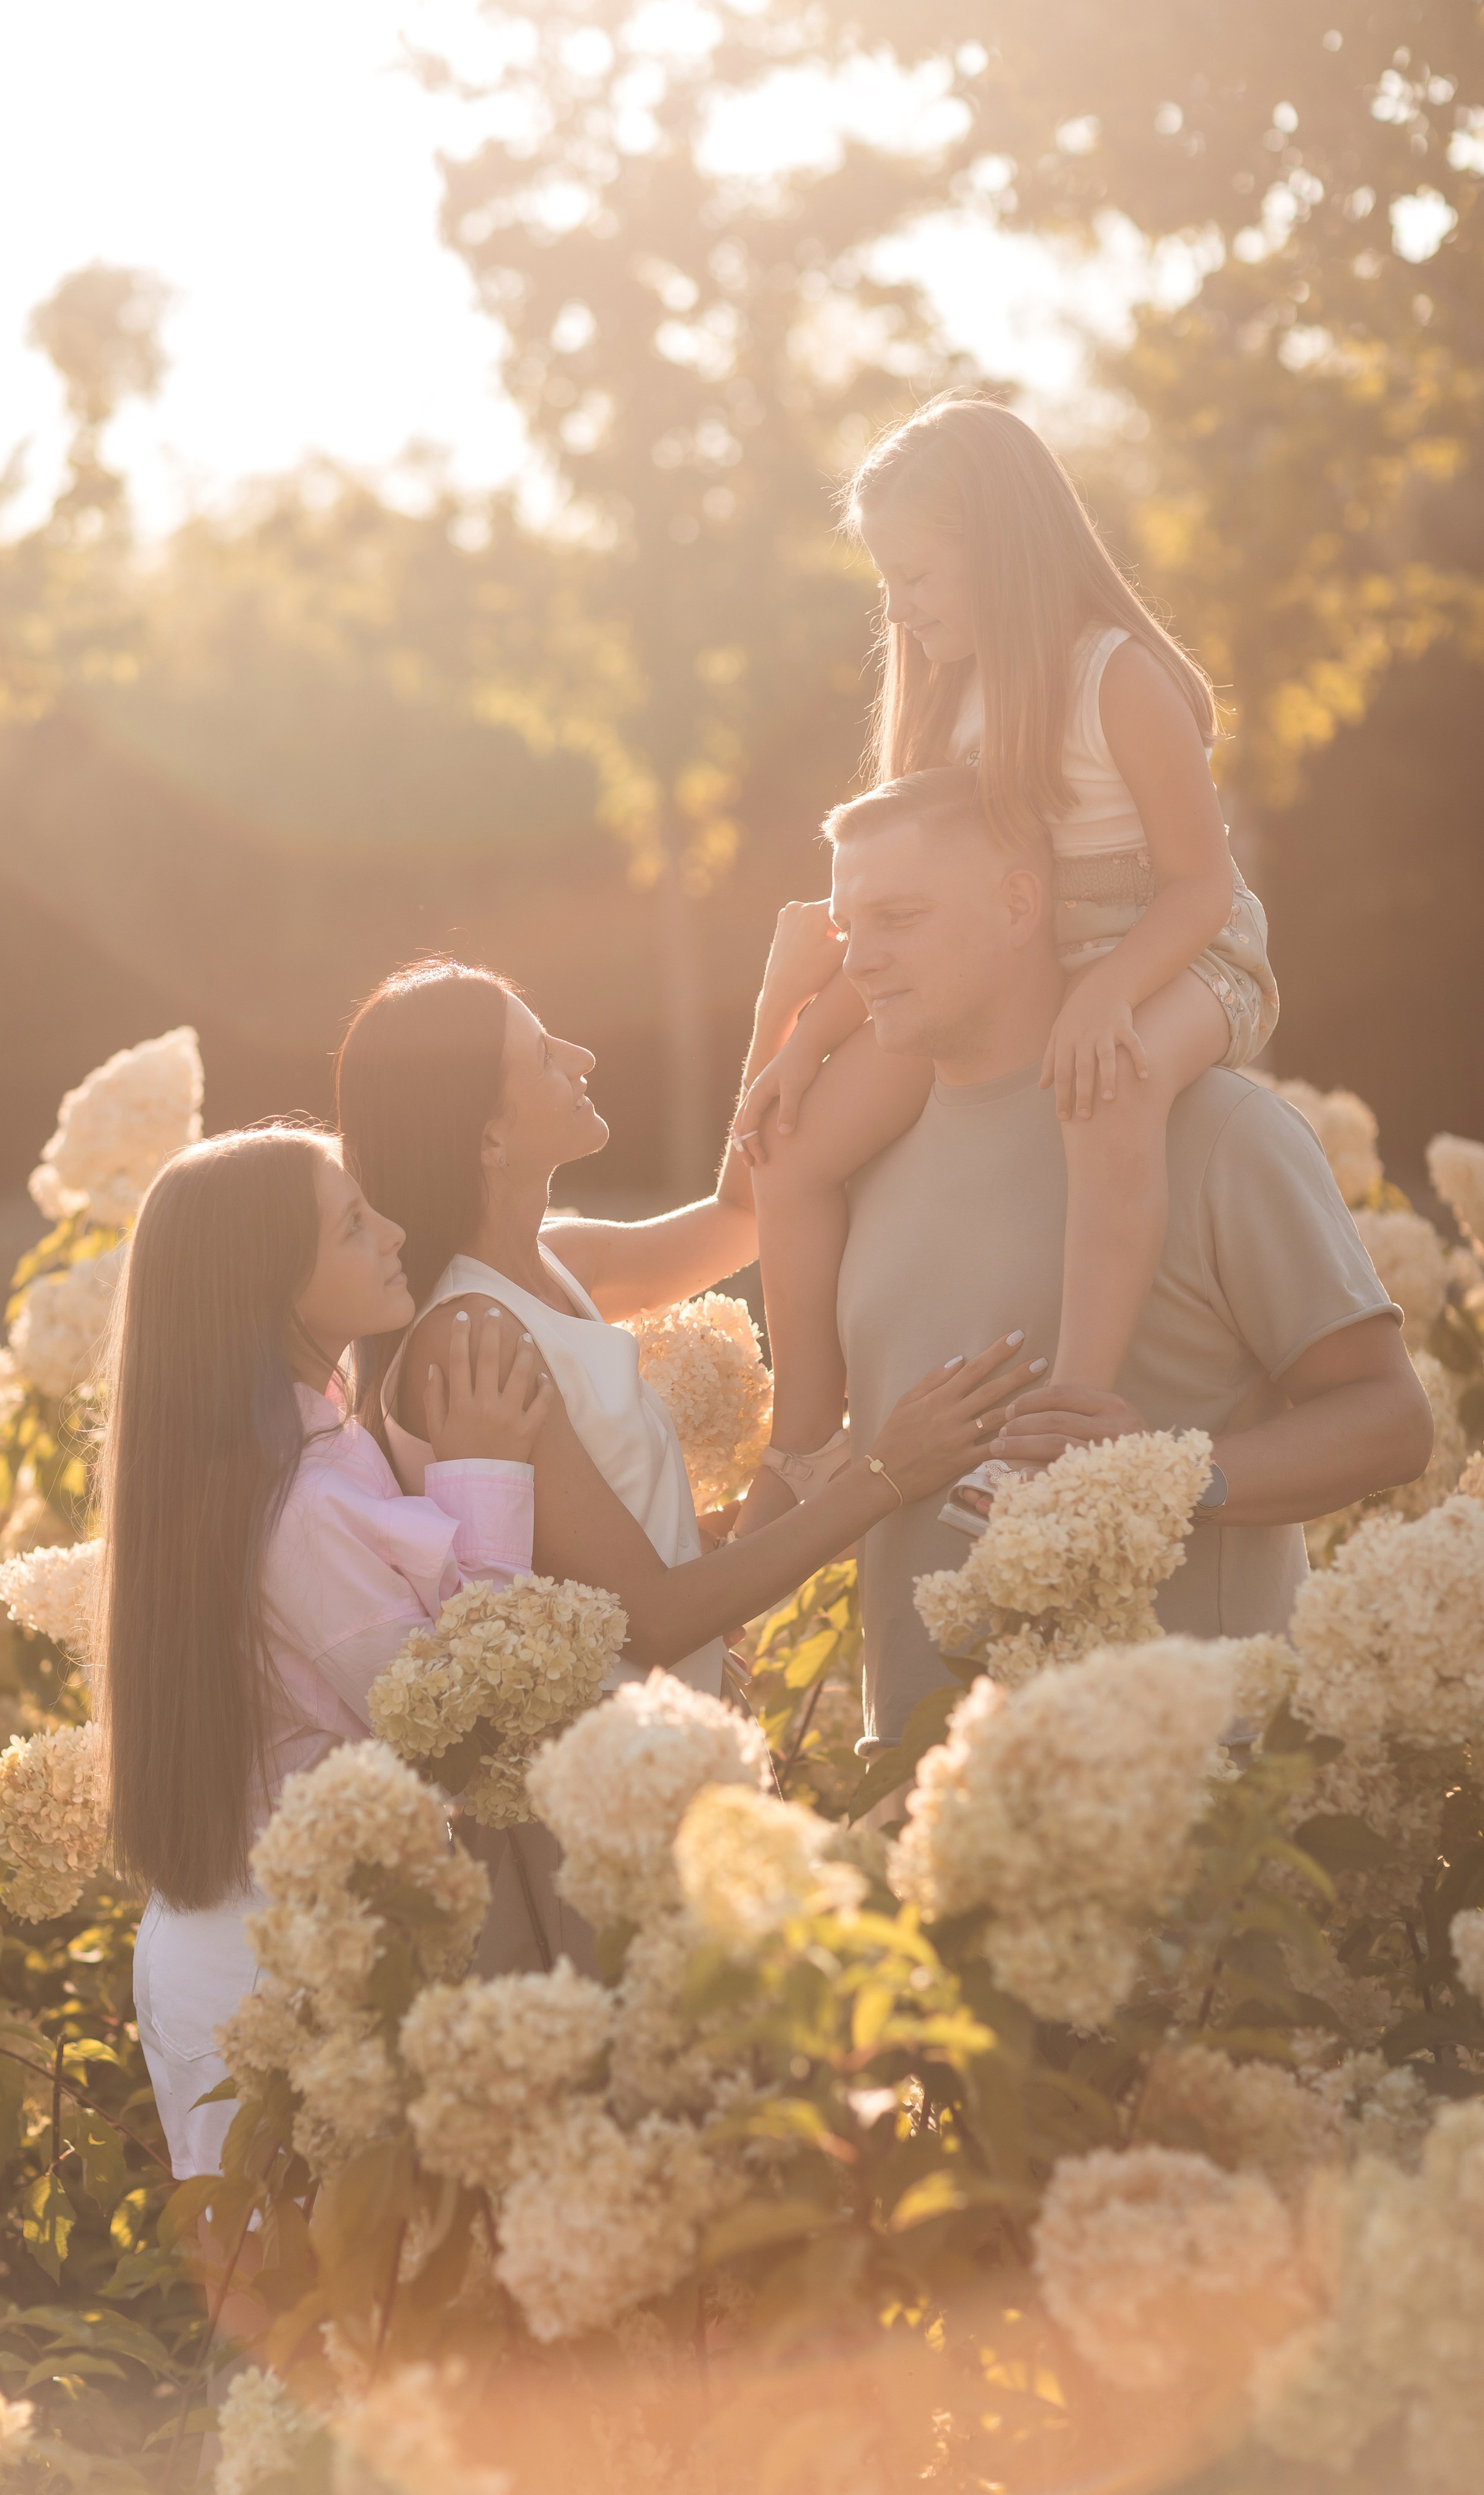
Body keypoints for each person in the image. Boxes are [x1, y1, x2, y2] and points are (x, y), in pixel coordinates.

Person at [733, 396, 1281, 1530]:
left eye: (919, 577)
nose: (900, 609)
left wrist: (1112, 995)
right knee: (791, 1154)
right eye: (888, 582)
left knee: (1110, 1088)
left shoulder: (1116, 679)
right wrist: (805, 1047)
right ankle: (807, 1448)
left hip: (1184, 962)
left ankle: (1062, 1423)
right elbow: (903, 924)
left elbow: (1201, 886)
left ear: (1004, 552)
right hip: (1029, 982)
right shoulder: (955, 698)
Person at [807, 767, 1433, 1755]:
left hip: (1183, 1809)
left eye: (900, 917)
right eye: (849, 929)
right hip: (931, 1814)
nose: (864, 960)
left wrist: (1168, 1478)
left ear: (1021, 903)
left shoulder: (1220, 1131)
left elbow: (1391, 1419)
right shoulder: (862, 1163)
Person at [333, 957, 1038, 1793]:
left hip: (673, 1750)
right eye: (542, 1056)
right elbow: (652, 1619)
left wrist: (779, 999)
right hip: (616, 1790)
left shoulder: (555, 1261)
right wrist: (884, 1473)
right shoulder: (473, 1335)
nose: (581, 1057)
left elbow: (742, 1217)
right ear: (487, 1137)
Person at [98, 1123, 551, 2181]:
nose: (393, 1231)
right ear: (270, 1285)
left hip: (249, 1935)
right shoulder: (297, 1504)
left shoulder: (294, 1456)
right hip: (273, 1960)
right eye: (353, 1224)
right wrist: (488, 1476)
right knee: (317, 2311)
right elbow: (458, 1729)